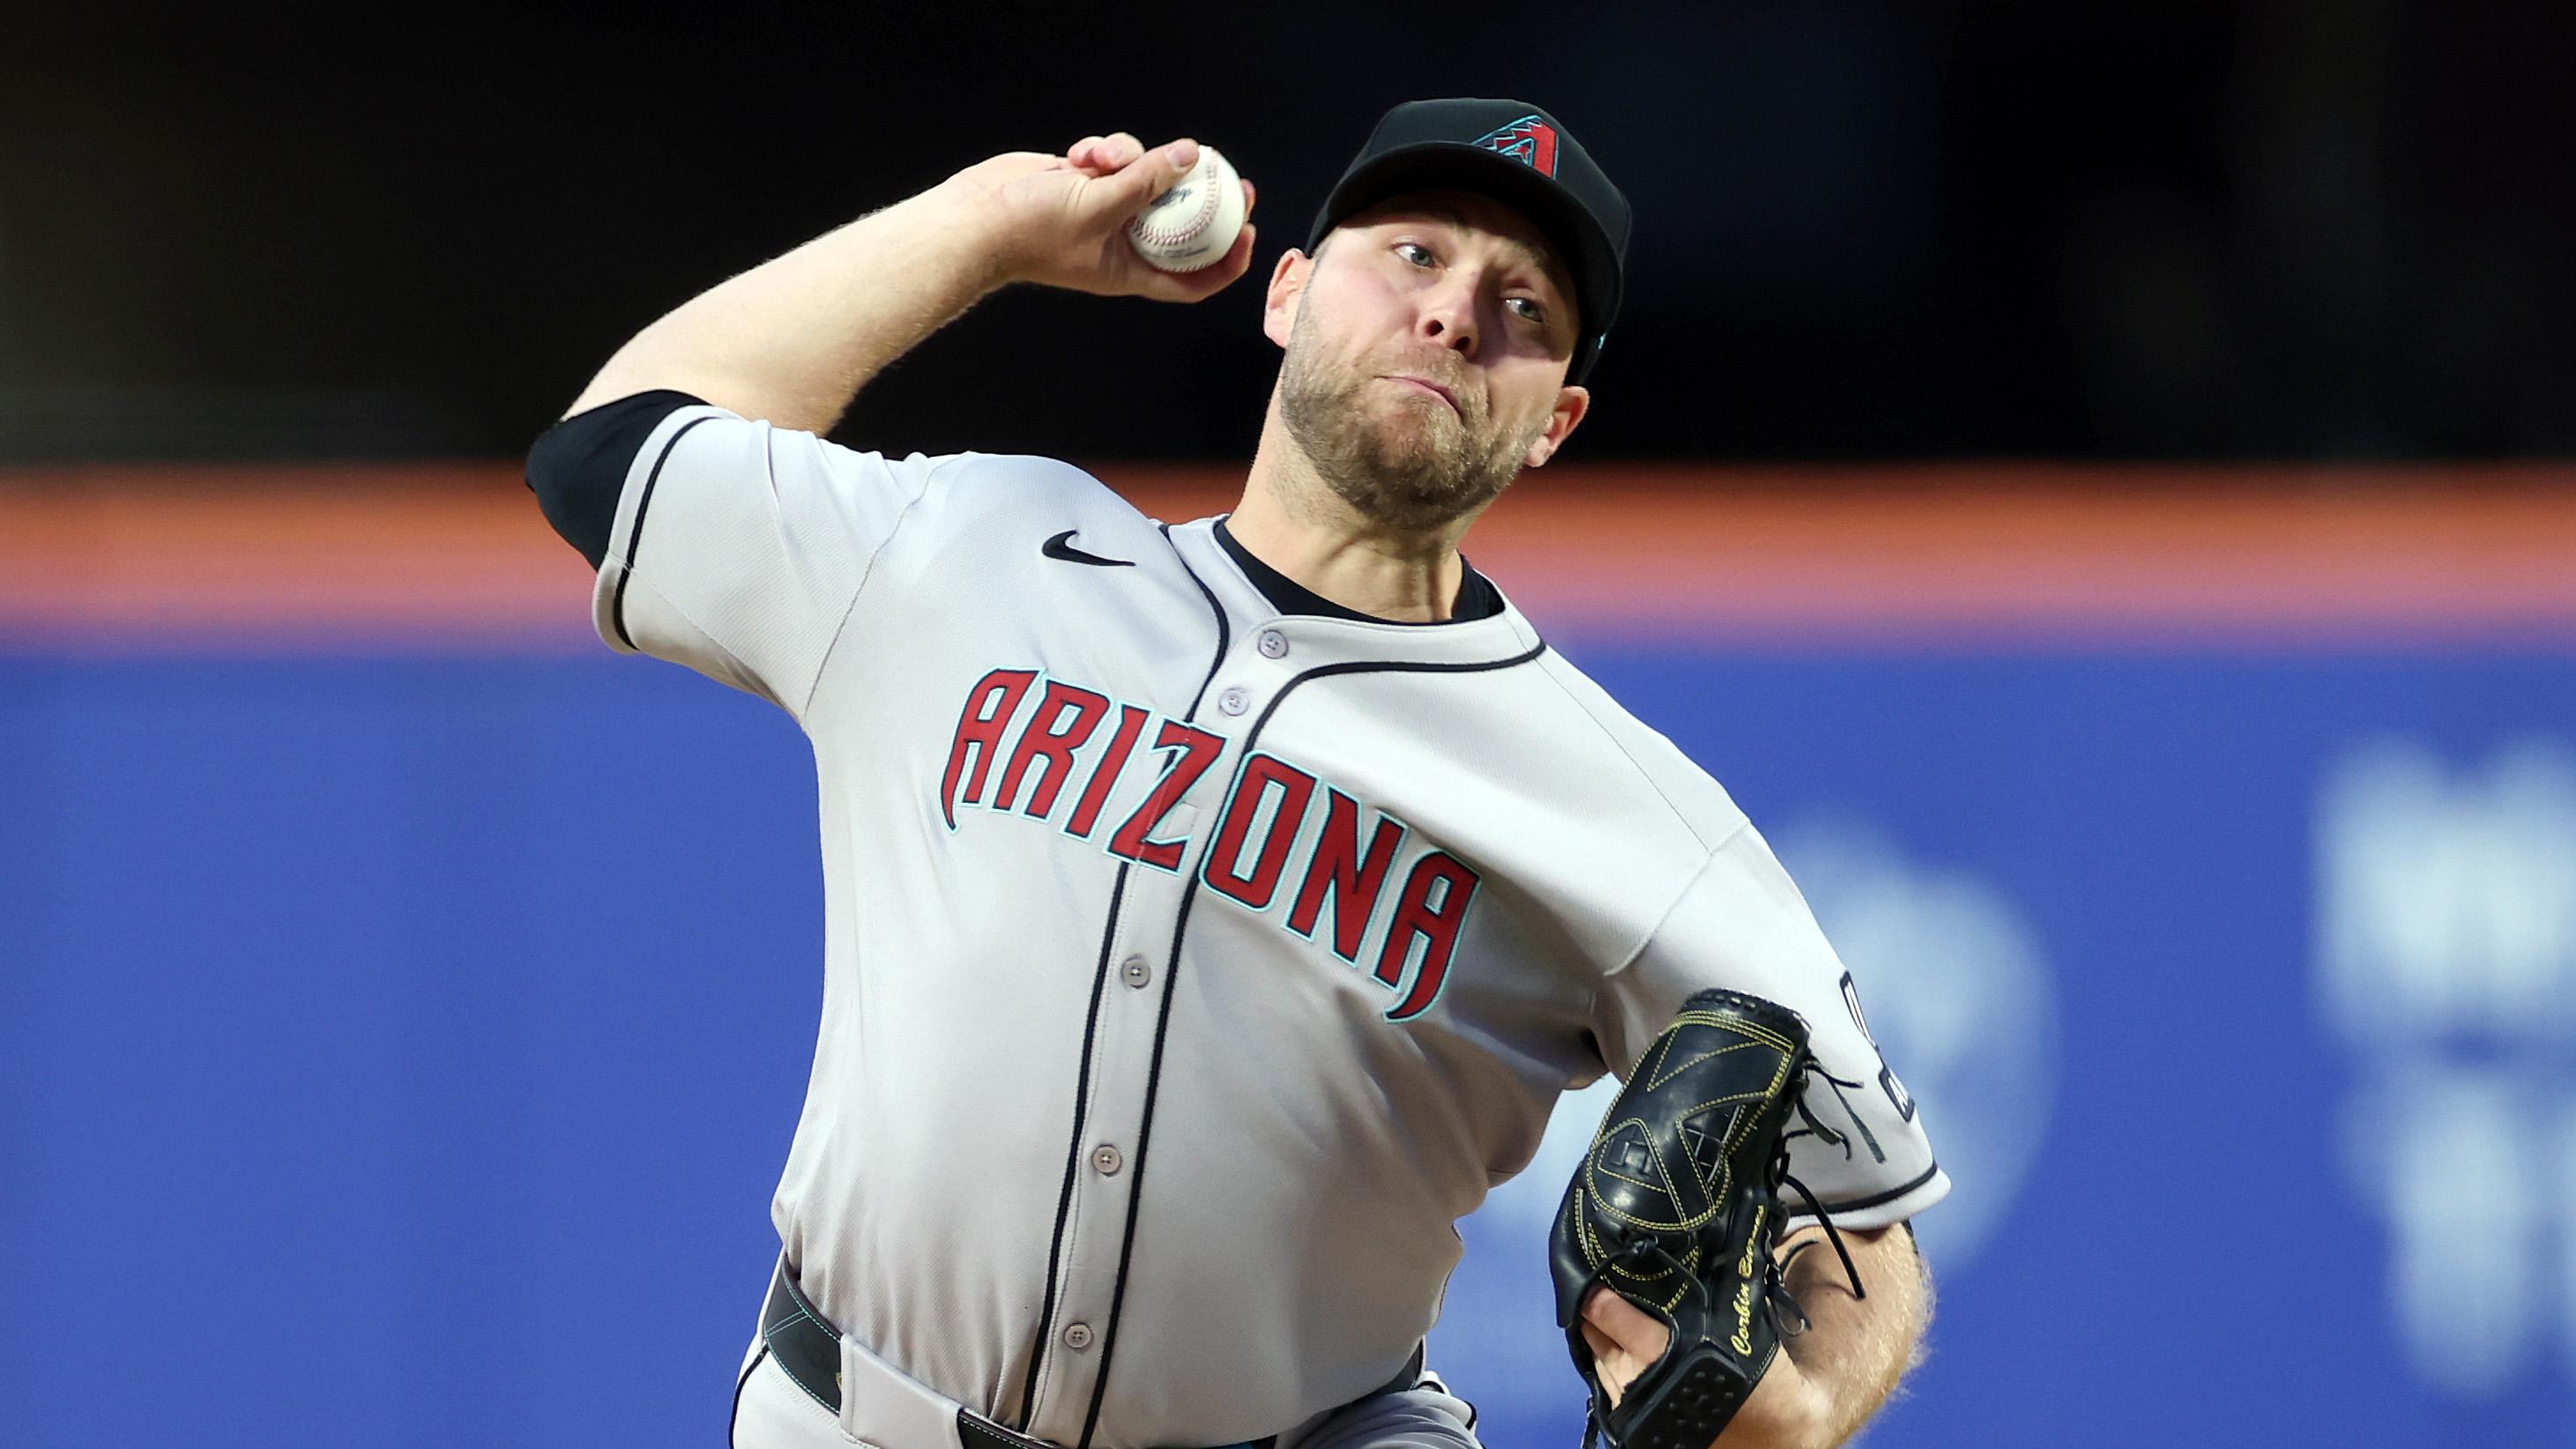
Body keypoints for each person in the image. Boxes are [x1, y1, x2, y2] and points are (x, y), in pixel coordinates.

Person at [526, 99, 1945, 1449]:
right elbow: (611, 455)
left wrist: (1804, 1407)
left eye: (1523, 310)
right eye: (1411, 254)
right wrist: (984, 227)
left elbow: (1865, 1233)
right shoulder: (970, 550)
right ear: (1283, 297)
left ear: (1552, 424)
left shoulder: (1629, 814)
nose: (1452, 312)